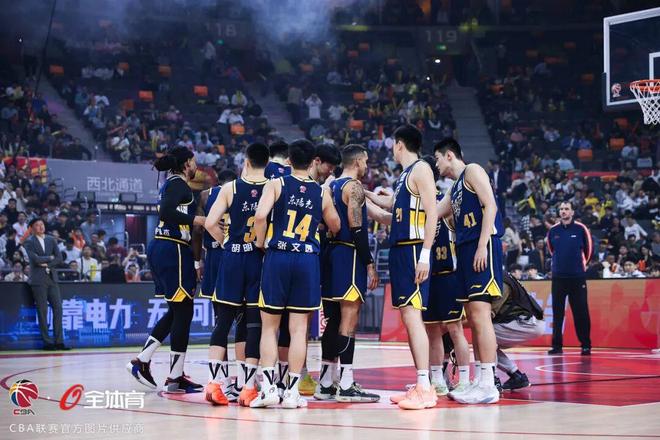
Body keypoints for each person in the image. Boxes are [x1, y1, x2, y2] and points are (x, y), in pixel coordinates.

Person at [249, 139, 340, 409]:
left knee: (270, 327)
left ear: (288, 160)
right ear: (313, 162)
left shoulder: (276, 184)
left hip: (278, 256)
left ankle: (268, 389)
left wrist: (261, 242)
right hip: (306, 259)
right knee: (299, 330)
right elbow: (335, 224)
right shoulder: (321, 192)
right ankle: (291, 393)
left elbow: (260, 216)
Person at [366, 125, 439, 410]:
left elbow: (432, 213)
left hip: (413, 249)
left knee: (413, 315)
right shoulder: (405, 176)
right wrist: (367, 195)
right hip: (401, 249)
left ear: (399, 144)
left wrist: (425, 255)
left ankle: (425, 386)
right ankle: (421, 383)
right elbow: (392, 207)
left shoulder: (421, 169)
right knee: (409, 317)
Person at [126, 146, 206, 393]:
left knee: (177, 311)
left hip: (165, 248)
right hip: (172, 248)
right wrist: (197, 219)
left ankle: (146, 362)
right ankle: (173, 376)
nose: (196, 166)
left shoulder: (173, 184)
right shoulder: (178, 184)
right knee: (183, 311)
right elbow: (166, 211)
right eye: (194, 161)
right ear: (186, 163)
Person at [434, 137, 504, 404]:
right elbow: (433, 213)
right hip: (464, 250)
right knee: (473, 317)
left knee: (480, 314)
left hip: (480, 245)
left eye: (437, 159)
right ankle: (480, 379)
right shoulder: (454, 188)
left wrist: (483, 245)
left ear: (449, 155)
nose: (436, 165)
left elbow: (491, 205)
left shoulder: (473, 170)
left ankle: (488, 383)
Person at [203, 143, 270, 407]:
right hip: (257, 257)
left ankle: (214, 384)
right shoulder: (273, 188)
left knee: (223, 322)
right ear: (267, 162)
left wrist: (225, 242)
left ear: (246, 161)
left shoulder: (230, 188)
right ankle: (247, 388)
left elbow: (210, 223)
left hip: (232, 256)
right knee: (253, 323)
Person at [315, 144, 380, 403]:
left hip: (329, 255)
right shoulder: (353, 187)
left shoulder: (329, 186)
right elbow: (357, 229)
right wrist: (369, 263)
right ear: (358, 161)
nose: (367, 166)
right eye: (366, 161)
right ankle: (346, 383)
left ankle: (325, 384)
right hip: (348, 254)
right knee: (349, 318)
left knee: (332, 320)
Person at [546, 201, 593, 355]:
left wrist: (579, 266)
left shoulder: (581, 229)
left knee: (581, 312)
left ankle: (585, 345)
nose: (563, 211)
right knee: (557, 313)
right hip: (558, 277)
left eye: (566, 209)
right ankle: (557, 346)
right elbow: (552, 250)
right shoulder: (553, 230)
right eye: (561, 209)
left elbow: (589, 251)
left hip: (577, 277)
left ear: (572, 212)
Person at [23, 218, 69, 350]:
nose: (41, 227)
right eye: (37, 225)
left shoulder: (51, 239)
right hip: (38, 279)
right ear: (31, 228)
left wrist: (48, 264)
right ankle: (47, 342)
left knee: (58, 308)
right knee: (42, 311)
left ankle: (59, 341)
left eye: (42, 224)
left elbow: (59, 257)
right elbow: (35, 259)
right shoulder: (29, 241)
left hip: (52, 278)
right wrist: (50, 257)